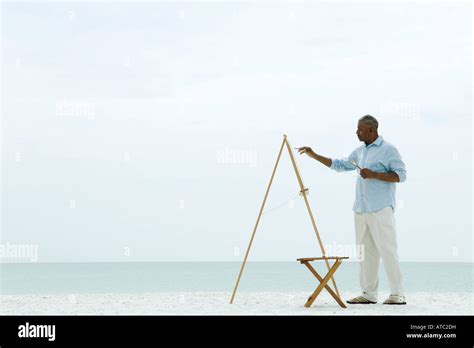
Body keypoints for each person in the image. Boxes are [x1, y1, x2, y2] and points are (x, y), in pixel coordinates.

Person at [297, 115, 407, 305]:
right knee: (365, 253)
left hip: (380, 209)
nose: (357, 132)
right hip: (361, 210)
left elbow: (401, 176)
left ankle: (397, 294)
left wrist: (374, 174)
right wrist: (314, 155)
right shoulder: (359, 151)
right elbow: (339, 165)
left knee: (388, 250)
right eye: (357, 129)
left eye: (360, 129)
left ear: (372, 131)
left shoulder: (389, 150)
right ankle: (368, 294)